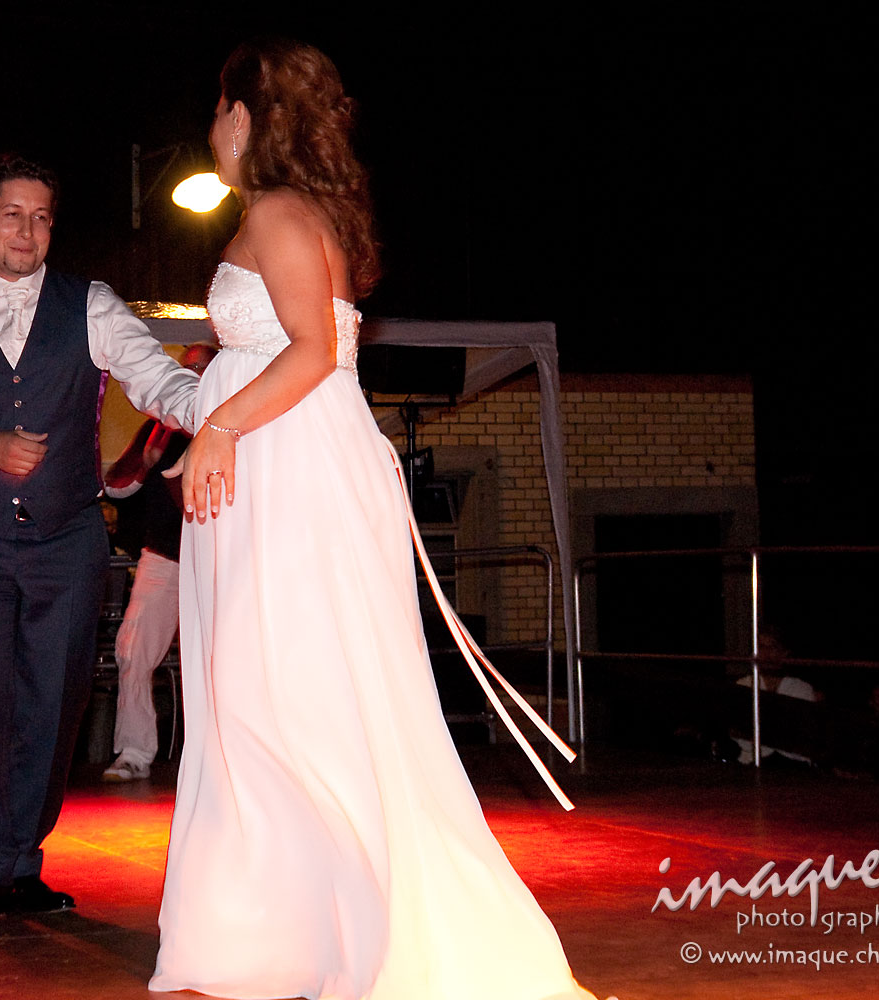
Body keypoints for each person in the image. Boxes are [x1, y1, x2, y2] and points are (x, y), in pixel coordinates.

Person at [151, 39, 597, 1000]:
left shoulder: (277, 211)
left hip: (287, 466)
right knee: (269, 693)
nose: (212, 126)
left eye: (220, 109)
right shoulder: (294, 211)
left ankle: (337, 928)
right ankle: (289, 928)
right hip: (287, 461)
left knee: (285, 692)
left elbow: (314, 350)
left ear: (244, 117)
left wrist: (219, 428)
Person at [0, 153, 199, 930]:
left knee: (55, 698)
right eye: (12, 215)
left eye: (41, 218)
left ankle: (23, 862)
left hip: (69, 537)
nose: (27, 231)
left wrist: (219, 408)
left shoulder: (91, 305)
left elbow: (154, 377)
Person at [101, 343, 217, 783]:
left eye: (201, 368)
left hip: (216, 562)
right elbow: (116, 485)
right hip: (164, 556)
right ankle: (133, 752)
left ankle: (216, 759)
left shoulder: (230, 422)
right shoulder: (160, 424)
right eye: (188, 368)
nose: (193, 375)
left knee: (217, 662)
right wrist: (146, 462)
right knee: (133, 649)